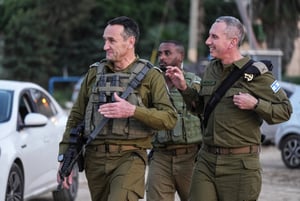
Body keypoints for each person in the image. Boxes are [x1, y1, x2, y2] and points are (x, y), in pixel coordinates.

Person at [165, 16, 292, 201]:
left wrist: (256, 104)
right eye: (209, 36)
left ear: (232, 41)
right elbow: (200, 107)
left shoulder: (257, 74)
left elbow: (285, 110)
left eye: (214, 37)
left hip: (239, 166)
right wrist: (183, 87)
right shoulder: (211, 69)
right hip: (206, 160)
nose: (208, 41)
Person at [57, 16, 177, 201]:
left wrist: (133, 111)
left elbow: (169, 118)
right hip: (94, 159)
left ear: (130, 42)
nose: (105, 46)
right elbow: (76, 116)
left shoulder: (151, 76)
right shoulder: (94, 73)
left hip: (129, 157)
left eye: (111, 40)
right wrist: (65, 157)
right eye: (105, 40)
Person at [146, 40, 202, 201]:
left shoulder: (193, 82)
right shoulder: (152, 85)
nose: (162, 57)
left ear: (181, 56)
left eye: (167, 53)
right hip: (160, 156)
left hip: (190, 157)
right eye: (160, 53)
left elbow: (204, 113)